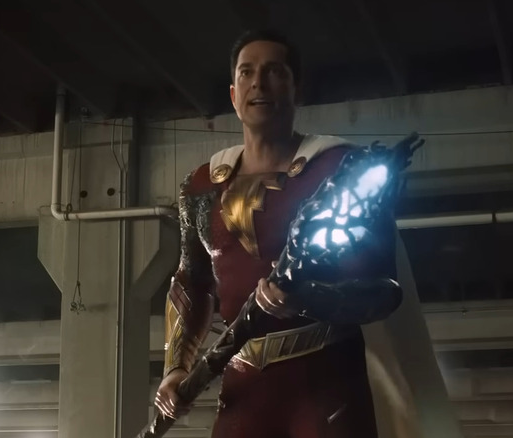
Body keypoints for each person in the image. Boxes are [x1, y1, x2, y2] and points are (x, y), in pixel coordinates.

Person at [154, 29, 403, 438]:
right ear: (233, 94)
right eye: (247, 73)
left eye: (274, 71)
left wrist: (310, 299)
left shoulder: (341, 169)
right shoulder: (202, 185)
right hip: (242, 382)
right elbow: (191, 281)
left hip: (327, 376)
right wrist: (176, 368)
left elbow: (384, 290)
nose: (259, 83)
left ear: (296, 87)